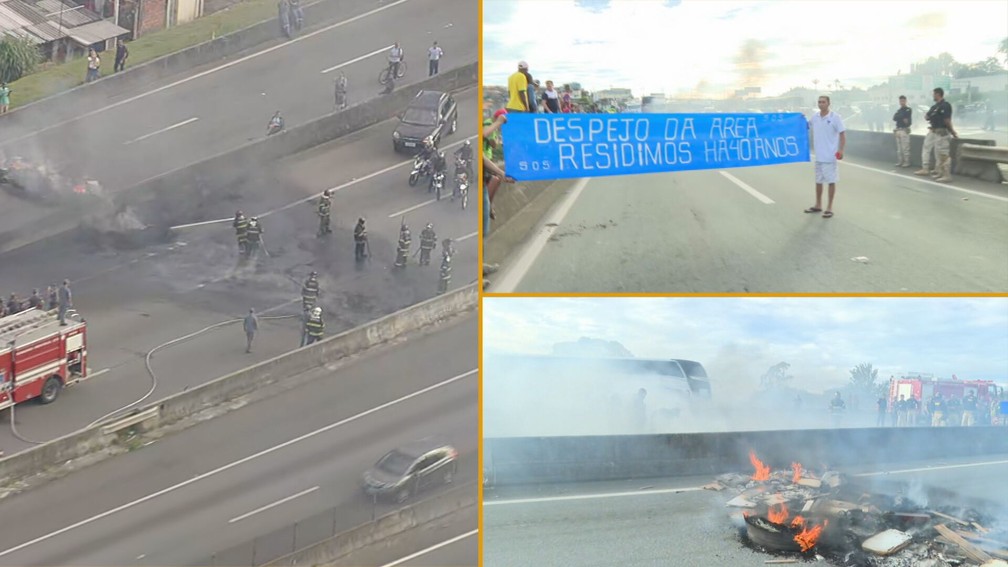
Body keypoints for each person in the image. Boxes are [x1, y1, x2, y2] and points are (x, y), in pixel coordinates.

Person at [805, 96, 845, 219]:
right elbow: (806, 125)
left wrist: (841, 150)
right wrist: (798, 118)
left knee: (831, 181)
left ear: (828, 103)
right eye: (819, 102)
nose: (821, 104)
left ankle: (829, 207)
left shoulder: (835, 117)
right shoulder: (815, 117)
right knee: (818, 181)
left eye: (823, 102)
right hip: (818, 156)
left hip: (830, 156)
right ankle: (818, 205)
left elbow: (842, 134)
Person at [914, 87, 958, 183]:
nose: (933, 96)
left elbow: (947, 120)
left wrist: (952, 132)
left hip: (942, 131)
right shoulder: (935, 106)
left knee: (943, 153)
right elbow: (927, 116)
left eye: (934, 94)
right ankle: (937, 171)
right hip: (933, 130)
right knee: (934, 151)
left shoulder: (945, 105)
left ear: (938, 94)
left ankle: (947, 175)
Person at [892, 95, 912, 167]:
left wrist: (900, 116)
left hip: (904, 130)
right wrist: (902, 117)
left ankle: (907, 162)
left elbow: (906, 118)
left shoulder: (908, 109)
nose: (902, 102)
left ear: (905, 101)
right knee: (899, 148)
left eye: (903, 100)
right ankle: (900, 161)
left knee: (905, 148)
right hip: (898, 130)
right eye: (900, 101)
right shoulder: (899, 110)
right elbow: (894, 118)